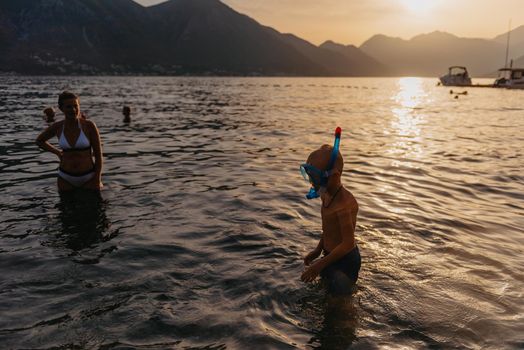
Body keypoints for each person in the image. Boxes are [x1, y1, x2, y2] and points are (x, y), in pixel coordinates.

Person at [299, 127, 361, 295]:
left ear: (333, 176)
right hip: (329, 255)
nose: (311, 182)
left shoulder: (343, 204)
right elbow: (329, 229)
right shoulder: (325, 196)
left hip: (345, 261)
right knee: (326, 293)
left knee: (339, 304)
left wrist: (320, 264)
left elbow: (348, 243)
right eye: (309, 176)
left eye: (315, 177)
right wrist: (318, 251)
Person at [36, 91, 103, 192]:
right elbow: (39, 141)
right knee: (65, 207)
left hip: (89, 177)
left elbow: (98, 156)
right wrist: (57, 152)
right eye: (68, 107)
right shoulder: (58, 127)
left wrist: (97, 178)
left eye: (76, 106)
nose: (73, 110)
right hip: (65, 178)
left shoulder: (89, 126)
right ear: (61, 108)